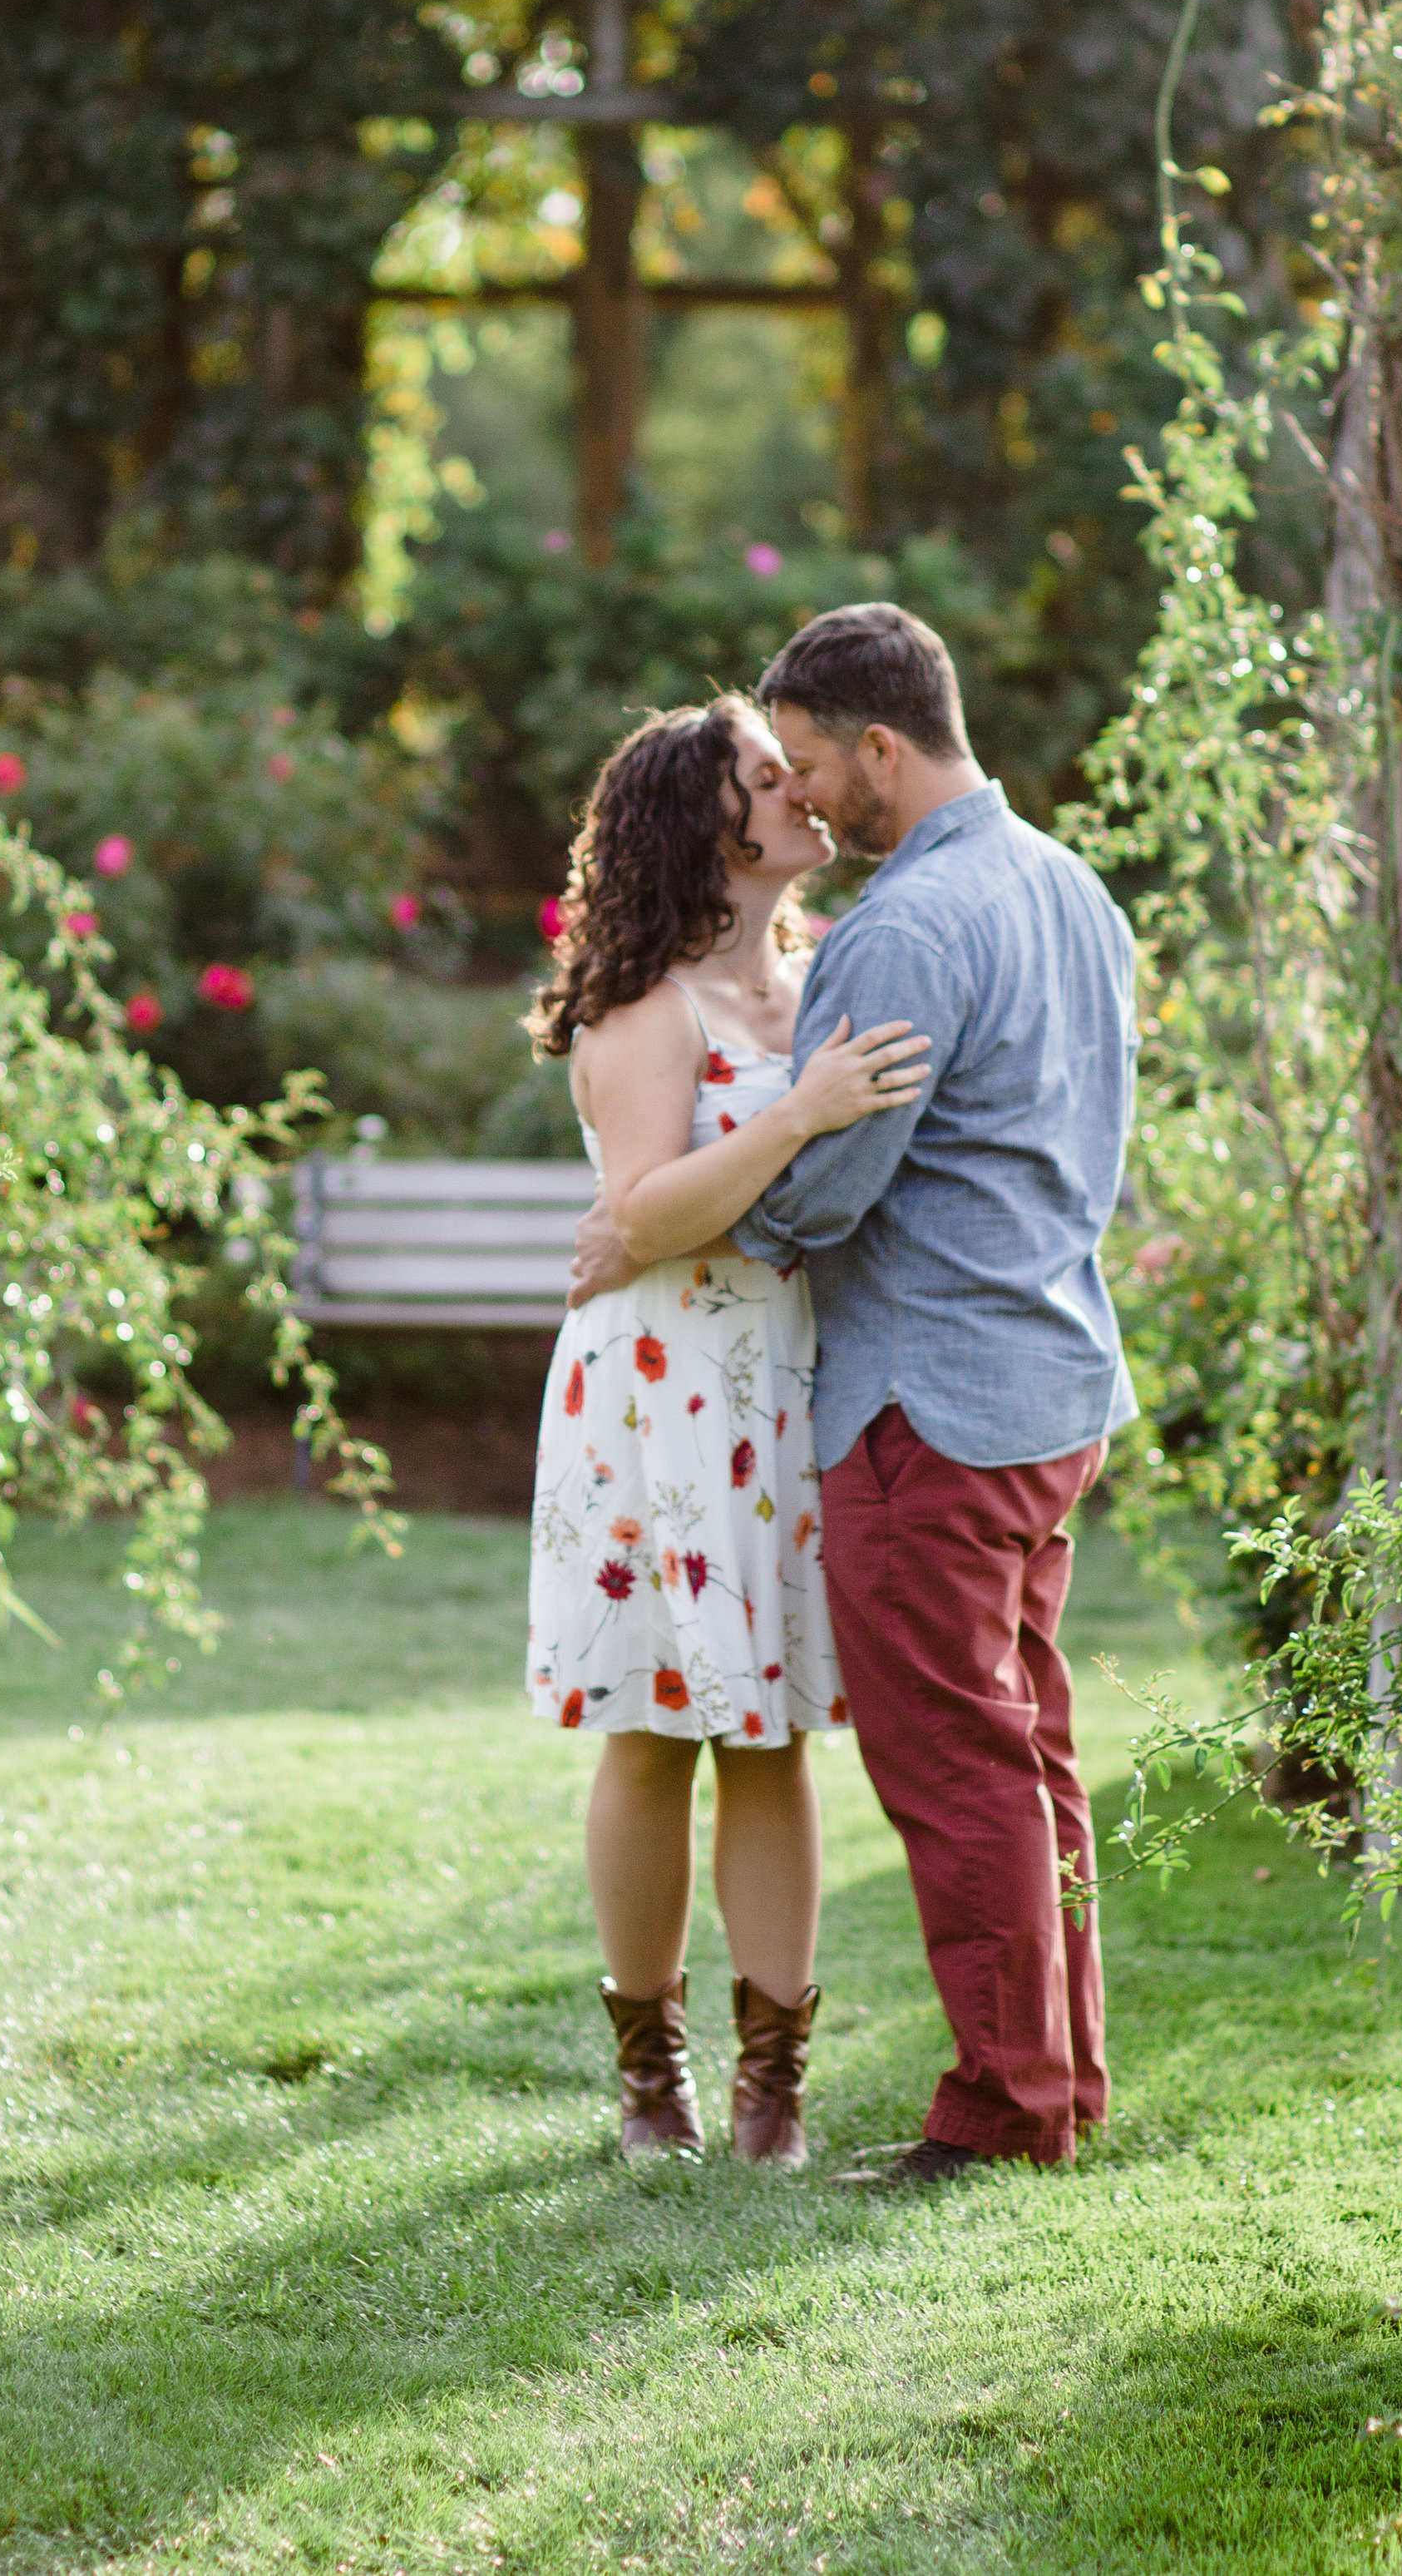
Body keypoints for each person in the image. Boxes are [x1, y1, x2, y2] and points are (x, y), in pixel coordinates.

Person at [570, 606, 1138, 2187]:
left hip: (921, 1409)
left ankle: (1009, 2109)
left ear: (882, 746)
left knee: (959, 1765)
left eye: (814, 765)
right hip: (1045, 1382)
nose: (810, 798)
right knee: (1025, 1756)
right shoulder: (1071, 889)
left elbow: (821, 1203)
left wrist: (658, 1221)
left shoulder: (896, 933)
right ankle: (1060, 2083)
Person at [527, 695, 929, 2169]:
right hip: (654, 1393)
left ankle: (774, 2092)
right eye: (771, 777)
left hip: (782, 1383)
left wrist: (809, 1105)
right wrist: (800, 1114)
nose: (802, 793)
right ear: (712, 824)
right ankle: (652, 2080)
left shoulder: (822, 978)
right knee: (652, 1733)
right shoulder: (647, 1002)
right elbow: (643, 1214)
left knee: (774, 1737)